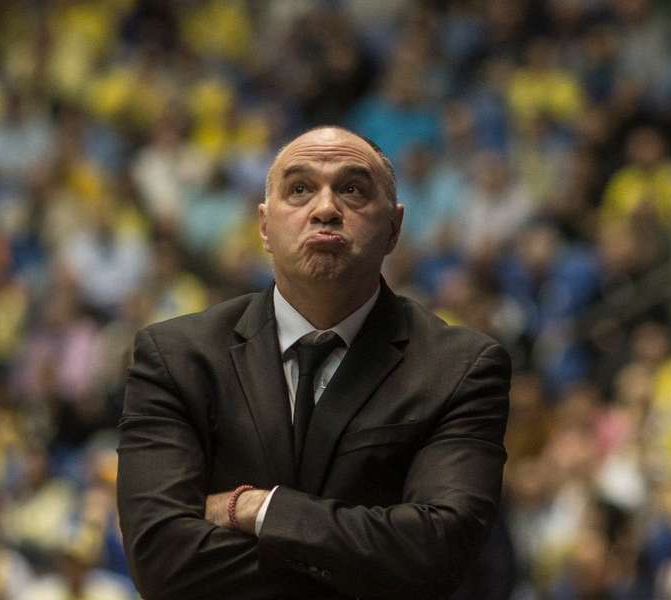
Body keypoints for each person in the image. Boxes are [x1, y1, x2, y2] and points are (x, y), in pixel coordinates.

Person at [116, 126, 512, 599]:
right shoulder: (176, 356)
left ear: (394, 227)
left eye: (352, 189)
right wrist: (370, 561)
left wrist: (258, 509)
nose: (325, 209)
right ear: (264, 226)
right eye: (300, 189)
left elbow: (437, 553)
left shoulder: (461, 367)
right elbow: (162, 561)